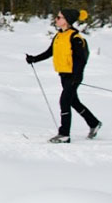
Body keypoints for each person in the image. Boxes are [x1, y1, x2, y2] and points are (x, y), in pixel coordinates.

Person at [26, 8, 102, 143]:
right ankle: (94, 123)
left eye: (59, 17)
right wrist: (34, 59)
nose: (56, 19)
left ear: (67, 20)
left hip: (73, 76)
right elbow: (50, 52)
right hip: (63, 75)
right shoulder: (59, 36)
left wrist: (75, 76)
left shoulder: (75, 38)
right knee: (74, 102)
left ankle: (64, 134)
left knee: (64, 102)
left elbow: (82, 59)